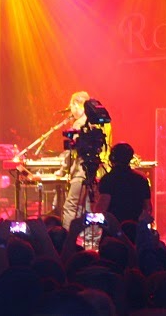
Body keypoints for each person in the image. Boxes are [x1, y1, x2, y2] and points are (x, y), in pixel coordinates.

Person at [55, 91, 112, 230]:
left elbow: (73, 151)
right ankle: (93, 238)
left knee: (71, 206)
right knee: (92, 208)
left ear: (76, 105)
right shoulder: (103, 123)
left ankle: (67, 237)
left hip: (82, 170)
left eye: (71, 107)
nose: (71, 112)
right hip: (100, 170)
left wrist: (62, 170)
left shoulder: (80, 124)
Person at [96, 142, 152, 223]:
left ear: (112, 158)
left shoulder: (108, 179)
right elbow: (148, 207)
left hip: (114, 228)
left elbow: (101, 208)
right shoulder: (141, 179)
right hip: (135, 227)